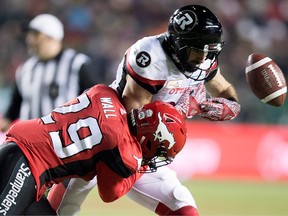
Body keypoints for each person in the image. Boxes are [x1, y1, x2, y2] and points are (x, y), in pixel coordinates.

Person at [48, 4, 241, 215]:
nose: (204, 59)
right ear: (179, 44)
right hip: (111, 138)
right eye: (198, 51)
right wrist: (187, 108)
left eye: (209, 51)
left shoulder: (202, 59)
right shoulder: (151, 56)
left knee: (182, 205)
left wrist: (229, 105)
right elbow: (137, 119)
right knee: (63, 207)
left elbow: (222, 88)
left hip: (147, 149)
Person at [0, 84, 187, 215]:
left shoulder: (105, 93)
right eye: (159, 152)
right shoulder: (125, 152)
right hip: (25, 165)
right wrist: (143, 166)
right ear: (149, 140)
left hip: (21, 155)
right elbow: (109, 194)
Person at [0, 13, 99, 132]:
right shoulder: (25, 69)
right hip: (30, 142)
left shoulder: (76, 63)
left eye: (35, 35)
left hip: (65, 142)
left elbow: (95, 98)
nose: (29, 40)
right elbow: (15, 105)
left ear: (51, 37)